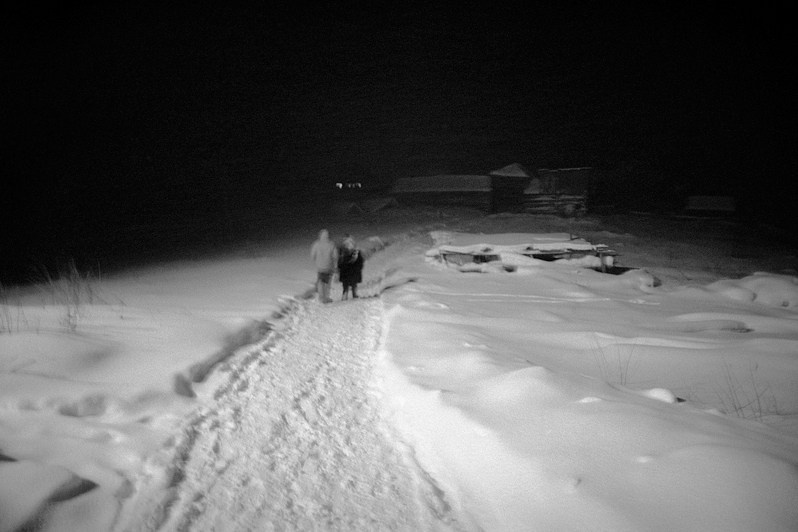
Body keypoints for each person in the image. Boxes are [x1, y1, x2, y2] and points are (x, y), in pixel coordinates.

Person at [310, 229, 338, 303]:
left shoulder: (316, 244)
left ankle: (321, 296)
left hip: (319, 267)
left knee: (320, 281)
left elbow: (312, 255)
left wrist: (316, 261)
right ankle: (326, 297)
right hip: (329, 267)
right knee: (327, 283)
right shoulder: (331, 244)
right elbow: (335, 256)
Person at [338, 235, 364, 300]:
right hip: (353, 271)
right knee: (353, 283)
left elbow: (339, 263)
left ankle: (345, 294)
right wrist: (359, 268)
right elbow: (360, 262)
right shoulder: (356, 252)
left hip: (346, 272)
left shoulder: (342, 253)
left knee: (346, 284)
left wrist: (340, 268)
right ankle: (354, 294)